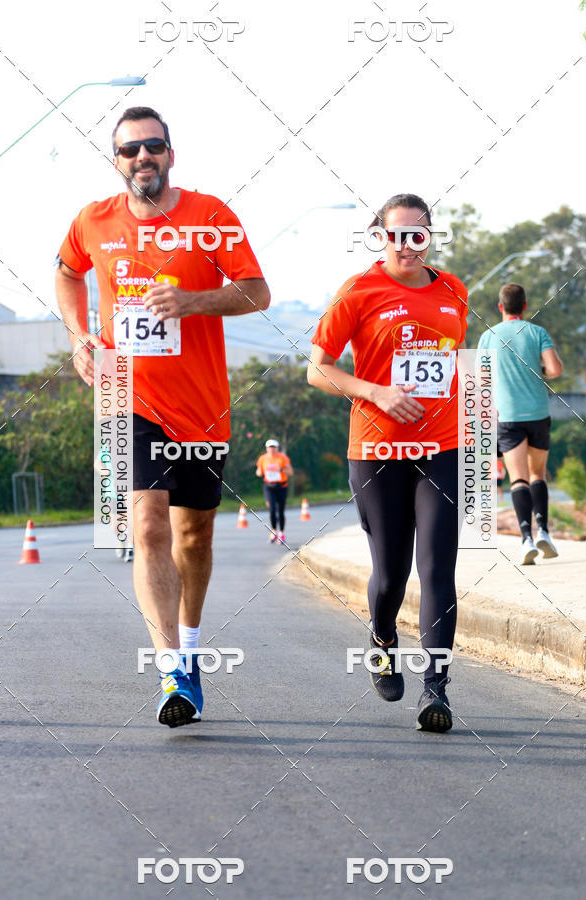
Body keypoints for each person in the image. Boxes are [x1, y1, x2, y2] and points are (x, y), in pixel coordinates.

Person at [56, 106, 270, 727]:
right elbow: (66, 273)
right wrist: (79, 336)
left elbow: (257, 292)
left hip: (200, 407)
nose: (142, 157)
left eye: (153, 146)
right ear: (117, 161)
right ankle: (171, 669)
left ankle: (192, 649)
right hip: (126, 396)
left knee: (193, 537)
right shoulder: (93, 221)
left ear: (170, 155)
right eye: (130, 149)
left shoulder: (210, 216)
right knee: (147, 526)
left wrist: (192, 300)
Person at [308, 193, 468, 733]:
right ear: (380, 238)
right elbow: (318, 370)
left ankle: (435, 690)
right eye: (395, 235)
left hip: (441, 448)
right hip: (377, 451)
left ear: (430, 237)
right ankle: (382, 638)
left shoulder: (453, 291)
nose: (406, 244)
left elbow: (452, 364)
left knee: (437, 569)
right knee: (390, 576)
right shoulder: (359, 290)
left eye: (416, 234)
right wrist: (375, 392)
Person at [478, 284, 562, 565]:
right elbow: (555, 369)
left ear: (500, 307)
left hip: (508, 417)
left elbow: (481, 380)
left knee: (518, 479)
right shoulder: (537, 332)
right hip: (537, 412)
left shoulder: (488, 336)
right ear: (525, 306)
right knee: (538, 474)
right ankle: (544, 533)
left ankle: (526, 539)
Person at [255, 439, 293, 543]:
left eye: (274, 447)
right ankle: (274, 532)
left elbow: (290, 472)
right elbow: (258, 472)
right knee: (272, 509)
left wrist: (280, 469)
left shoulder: (283, 458)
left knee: (280, 510)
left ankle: (281, 533)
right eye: (270, 447)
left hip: (281, 486)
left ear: (277, 448)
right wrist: (260, 472)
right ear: (266, 448)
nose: (272, 449)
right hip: (269, 487)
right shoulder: (263, 458)